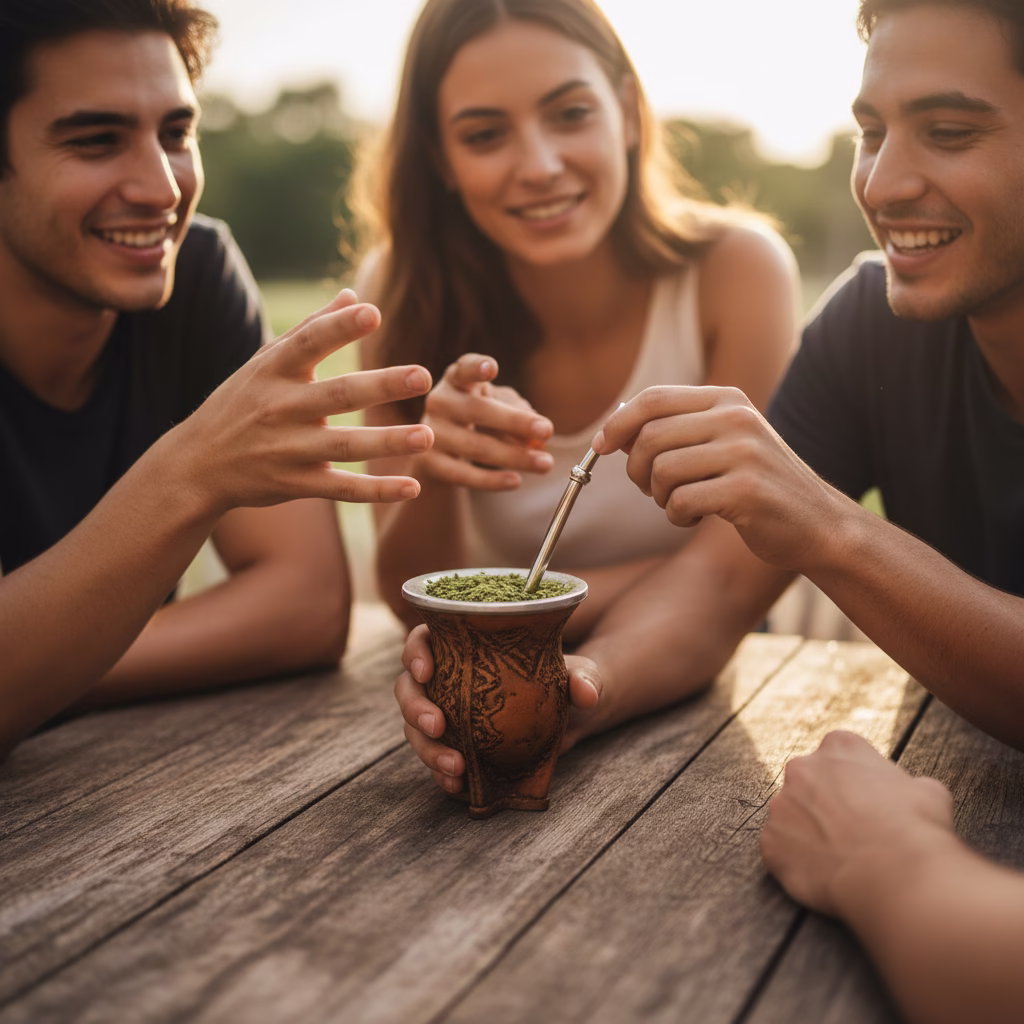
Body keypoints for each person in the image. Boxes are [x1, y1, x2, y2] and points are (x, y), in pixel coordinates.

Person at [402, 0, 1024, 1014]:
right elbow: (715, 586)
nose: (882, 180)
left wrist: (827, 528)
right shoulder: (869, 325)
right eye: (871, 131)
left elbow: (805, 536)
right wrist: (572, 688)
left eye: (947, 132)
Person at [0, 0, 434, 756]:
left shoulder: (194, 274)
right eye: (96, 141)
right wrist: (190, 472)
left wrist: (44, 663)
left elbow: (303, 607)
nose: (163, 189)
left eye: (176, 133)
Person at [355, 0, 800, 656]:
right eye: (484, 135)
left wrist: (518, 605)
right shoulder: (396, 291)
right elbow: (410, 603)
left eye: (570, 114)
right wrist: (438, 463)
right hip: (501, 670)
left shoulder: (738, 271)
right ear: (440, 157)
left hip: (715, 669)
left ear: (625, 111)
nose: (538, 165)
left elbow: (740, 575)